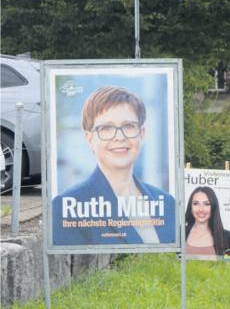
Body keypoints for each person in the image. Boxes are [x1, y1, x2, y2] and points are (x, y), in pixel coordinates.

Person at [52, 86, 175, 245]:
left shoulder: (166, 202)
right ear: (89, 139)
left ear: (142, 134)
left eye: (128, 126)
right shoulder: (67, 205)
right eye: (106, 128)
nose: (119, 137)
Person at [184, 185, 230, 259]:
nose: (201, 209)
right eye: (196, 203)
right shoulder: (181, 234)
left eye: (207, 204)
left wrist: (228, 259)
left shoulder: (226, 237)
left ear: (213, 207)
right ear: (190, 207)